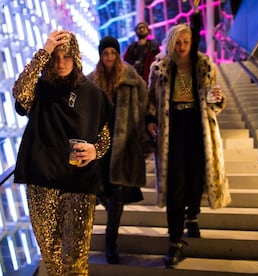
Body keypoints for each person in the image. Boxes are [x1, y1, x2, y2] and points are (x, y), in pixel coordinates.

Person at [12, 30, 113, 275]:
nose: (60, 62)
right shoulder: (39, 89)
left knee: (75, 261)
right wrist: (42, 52)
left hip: (79, 183)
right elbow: (19, 94)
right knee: (52, 258)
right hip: (41, 181)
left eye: (66, 56)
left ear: (75, 57)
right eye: (55, 57)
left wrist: (95, 150)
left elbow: (106, 134)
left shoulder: (93, 93)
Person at [146, 1, 232, 267]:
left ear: (192, 42)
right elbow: (151, 102)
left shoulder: (204, 65)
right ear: (171, 43)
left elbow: (213, 100)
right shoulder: (159, 69)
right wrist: (150, 120)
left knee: (195, 180)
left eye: (186, 41)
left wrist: (217, 99)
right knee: (175, 186)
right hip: (173, 130)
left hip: (198, 126)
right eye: (178, 41)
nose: (182, 46)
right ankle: (174, 241)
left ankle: (192, 216)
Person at [88, 36, 153, 264]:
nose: (108, 57)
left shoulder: (131, 79)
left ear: (117, 54)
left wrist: (145, 142)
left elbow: (146, 108)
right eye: (105, 53)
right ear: (100, 56)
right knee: (101, 192)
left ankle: (110, 245)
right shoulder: (91, 81)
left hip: (123, 146)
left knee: (116, 196)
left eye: (112, 53)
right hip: (98, 149)